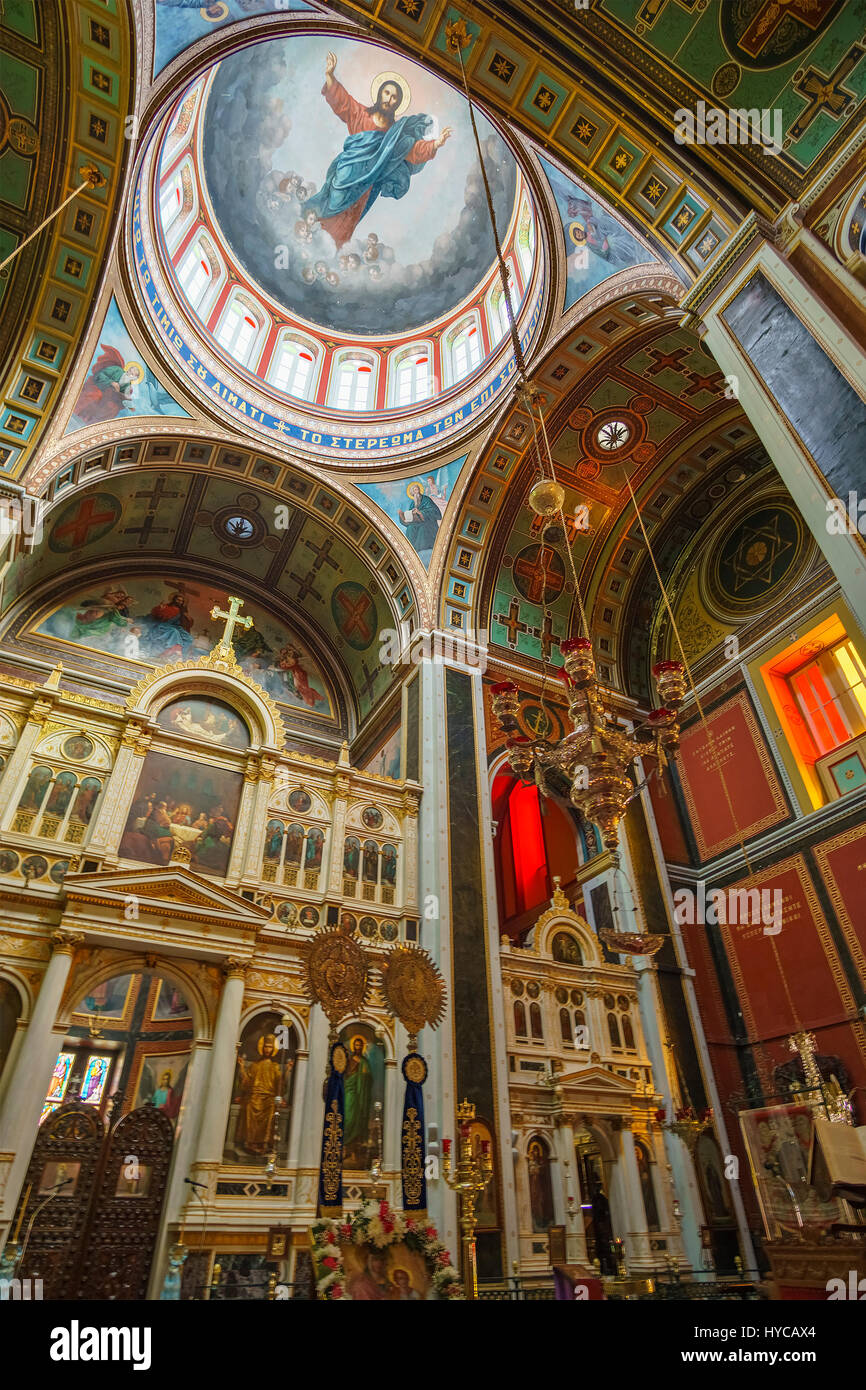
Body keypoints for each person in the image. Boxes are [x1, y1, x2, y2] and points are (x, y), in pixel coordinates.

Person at [304, 52, 452, 251]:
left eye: (394, 98)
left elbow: (413, 150)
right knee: (329, 204)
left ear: (397, 104)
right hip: (345, 174)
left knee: (347, 221)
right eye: (387, 93)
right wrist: (330, 76)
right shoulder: (361, 114)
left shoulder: (396, 134)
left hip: (366, 188)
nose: (389, 99)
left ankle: (328, 250)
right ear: (380, 93)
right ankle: (308, 234)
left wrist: (436, 144)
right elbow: (343, 102)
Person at [398, 482, 441, 557]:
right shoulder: (413, 503)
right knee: (410, 528)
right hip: (417, 522)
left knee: (422, 528)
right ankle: (412, 549)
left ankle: (421, 549)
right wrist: (404, 517)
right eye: (414, 490)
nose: (416, 491)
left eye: (417, 489)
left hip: (428, 522)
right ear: (412, 493)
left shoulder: (426, 499)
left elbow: (435, 512)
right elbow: (410, 515)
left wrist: (420, 513)